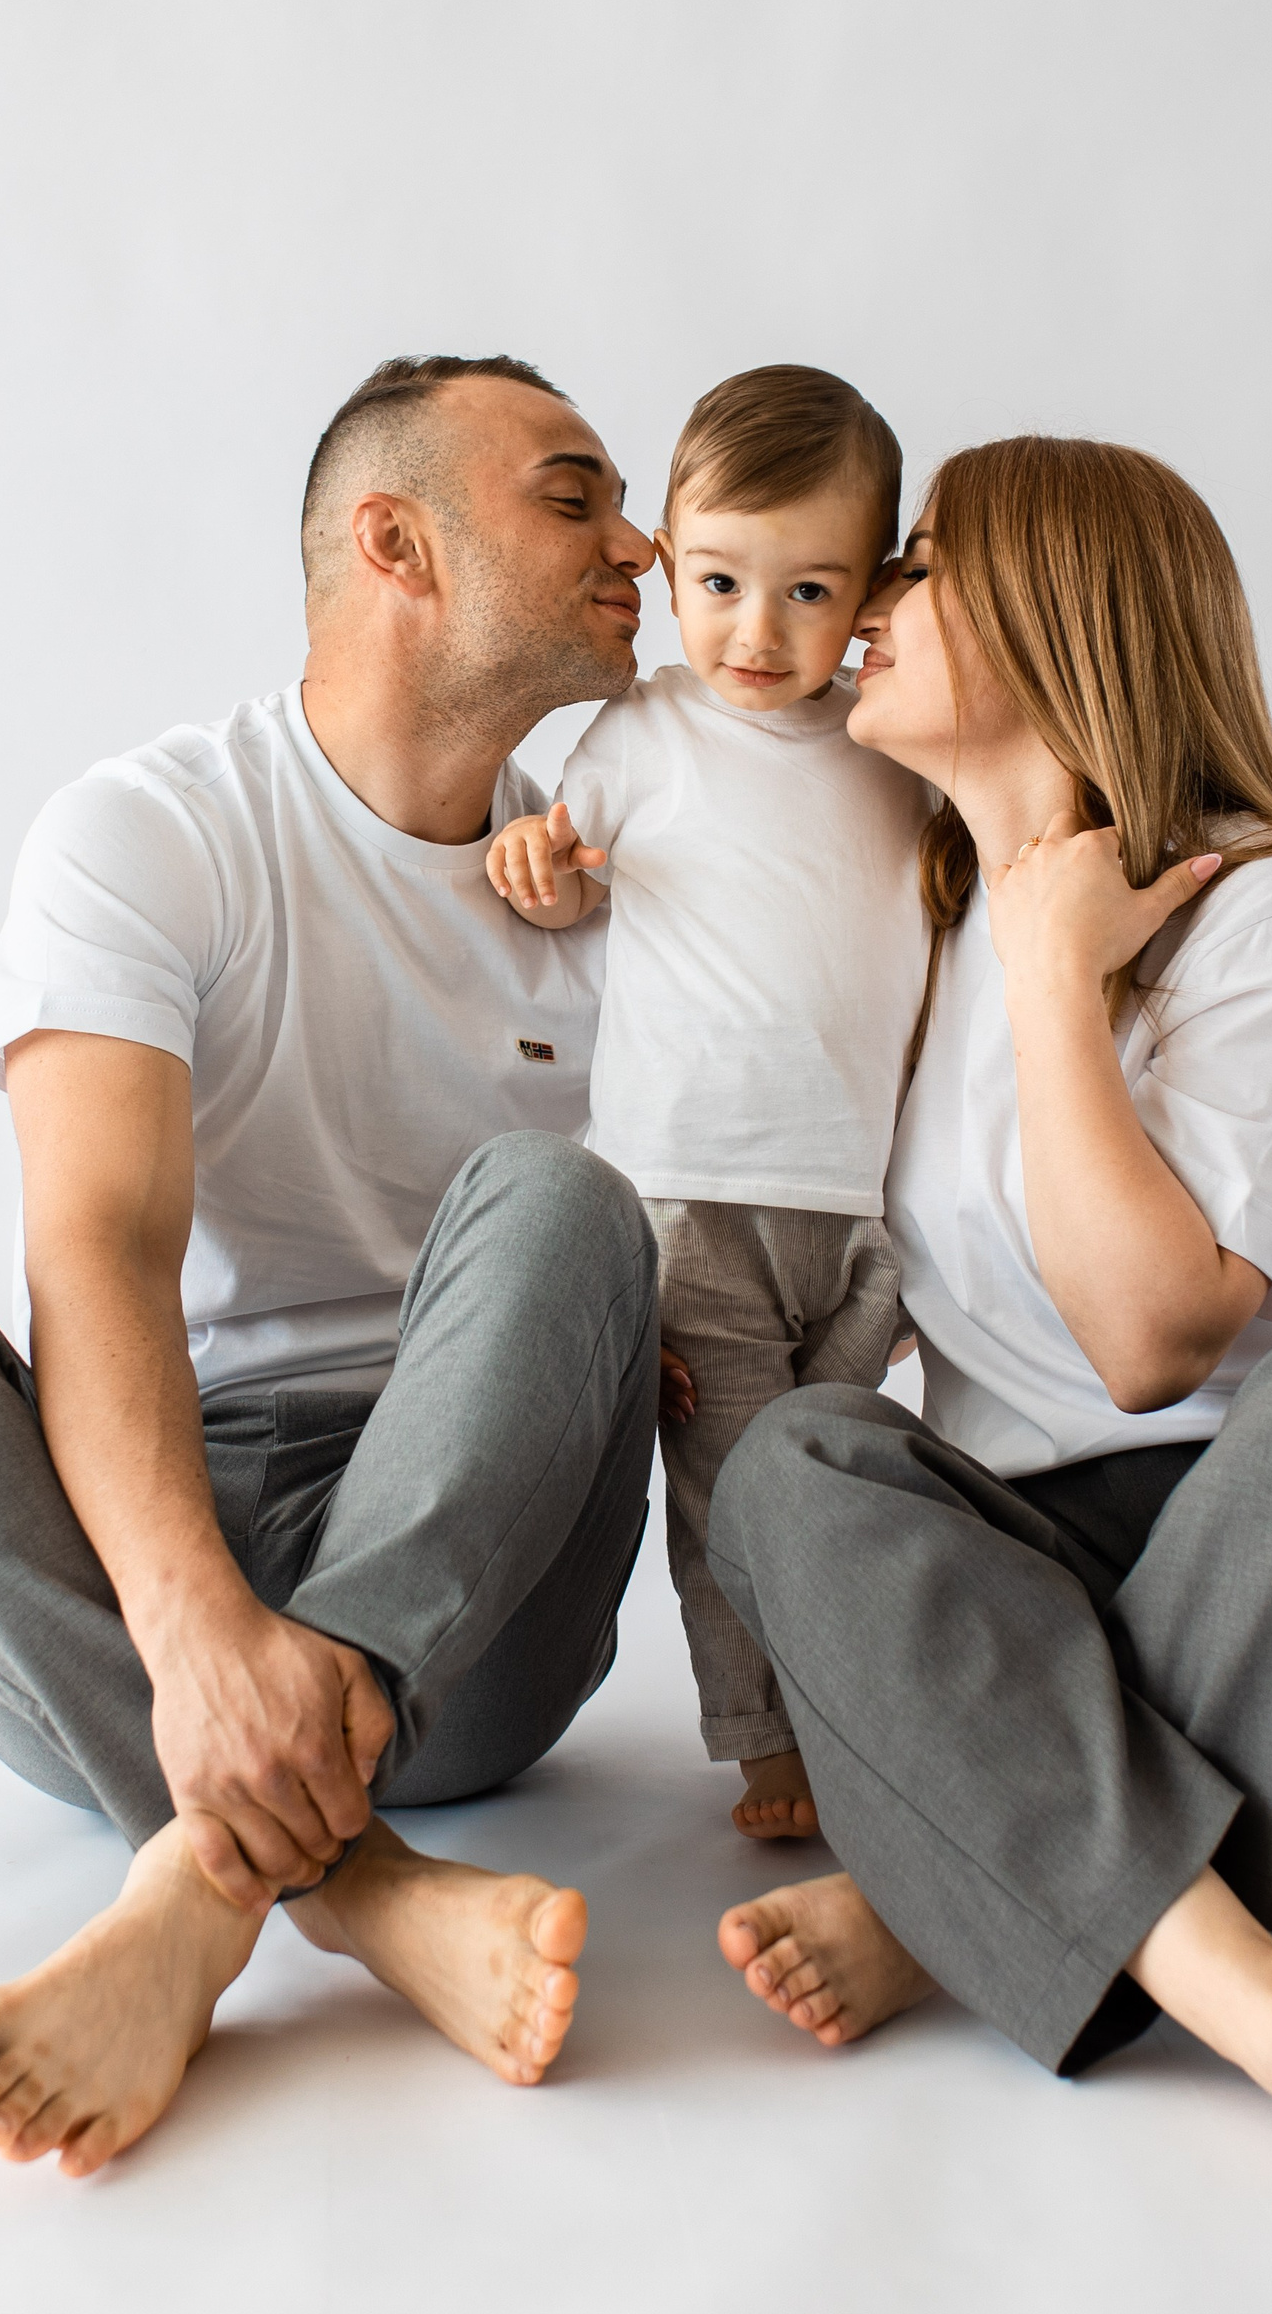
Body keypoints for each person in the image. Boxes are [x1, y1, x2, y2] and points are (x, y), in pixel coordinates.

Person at [0, 354, 667, 2177]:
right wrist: (198, 1638)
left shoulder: (634, 881)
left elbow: (673, 1278)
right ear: (397, 543)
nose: (637, 543)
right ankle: (363, 1889)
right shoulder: (150, 832)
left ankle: (211, 1871)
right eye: (575, 496)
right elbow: (101, 1251)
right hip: (160, 1585)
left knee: (561, 1208)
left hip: (477, 1587)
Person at [704, 436, 1272, 2210]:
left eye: (926, 564)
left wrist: (1056, 964)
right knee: (790, 1466)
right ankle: (1249, 1986)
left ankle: (976, 1882)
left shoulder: (1270, 914)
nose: (872, 603)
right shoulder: (912, 925)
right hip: (1071, 1593)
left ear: (1058, 611)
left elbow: (1148, 1344)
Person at [486, 364, 929, 1842]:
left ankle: (872, 1715)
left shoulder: (898, 755)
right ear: (672, 559)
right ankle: (766, 1743)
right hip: (695, 1199)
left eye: (808, 591)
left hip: (869, 1211)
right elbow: (558, 906)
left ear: (870, 594)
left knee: (849, 1491)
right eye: (725, 581)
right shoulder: (642, 739)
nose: (757, 630)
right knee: (733, 1492)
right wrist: (543, 877)